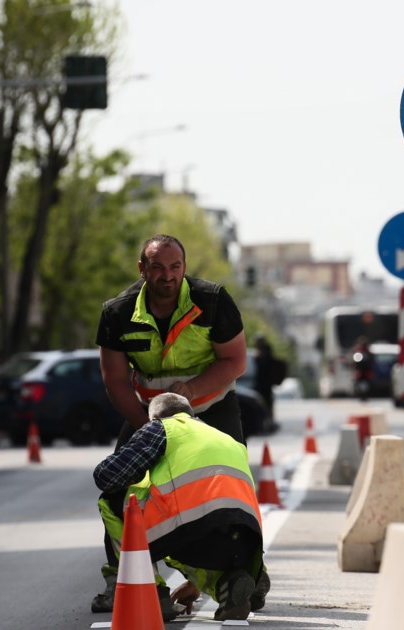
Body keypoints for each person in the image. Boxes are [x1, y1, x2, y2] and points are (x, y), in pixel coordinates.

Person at [92, 234, 249, 612]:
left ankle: (241, 576)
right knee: (122, 491)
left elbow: (234, 361)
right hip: (150, 415)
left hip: (212, 410)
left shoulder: (211, 302)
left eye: (175, 267)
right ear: (142, 269)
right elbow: (114, 379)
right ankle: (127, 581)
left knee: (224, 488)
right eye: (158, 268)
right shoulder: (118, 312)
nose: (168, 276)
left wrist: (192, 390)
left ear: (184, 267)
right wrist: (147, 427)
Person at [93, 393, 269, 622]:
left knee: (112, 501)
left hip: (190, 527)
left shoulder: (162, 428)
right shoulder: (227, 439)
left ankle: (151, 592)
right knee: (187, 528)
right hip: (245, 541)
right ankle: (229, 584)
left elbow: (107, 476)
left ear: (155, 417)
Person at [252, 334, 278, 429]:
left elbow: (263, 367)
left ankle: (268, 422)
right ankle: (267, 421)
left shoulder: (264, 353)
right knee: (266, 403)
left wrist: (258, 358)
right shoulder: (264, 352)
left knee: (265, 403)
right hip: (264, 383)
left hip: (264, 384)